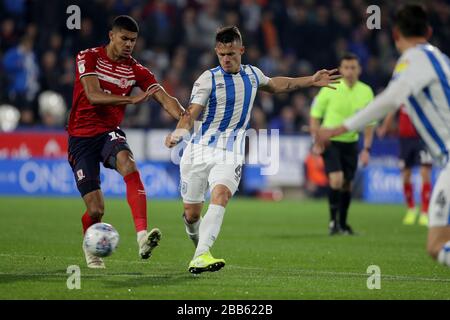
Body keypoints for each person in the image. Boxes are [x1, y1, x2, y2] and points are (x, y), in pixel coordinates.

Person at [165, 26, 340, 274]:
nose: (226, 59)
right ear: (217, 51)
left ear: (242, 50)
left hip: (230, 152)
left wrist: (310, 80)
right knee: (192, 215)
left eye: (232, 54)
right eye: (222, 54)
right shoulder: (208, 79)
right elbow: (191, 112)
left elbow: (279, 85)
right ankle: (200, 245)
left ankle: (202, 254)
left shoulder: (253, 75)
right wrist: (180, 133)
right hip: (199, 151)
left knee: (221, 194)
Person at [317, 5, 450, 267]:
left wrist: (338, 128)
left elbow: (389, 99)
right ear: (430, 31)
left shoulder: (413, 59)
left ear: (396, 34)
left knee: (436, 245)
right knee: (438, 244)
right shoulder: (441, 59)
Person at [67, 15, 186, 268]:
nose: (129, 44)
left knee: (129, 164)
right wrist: (131, 100)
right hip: (80, 138)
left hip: (108, 131)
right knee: (96, 209)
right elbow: (92, 94)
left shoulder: (135, 69)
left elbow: (163, 97)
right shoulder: (88, 57)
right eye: (124, 39)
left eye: (133, 40)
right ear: (111, 35)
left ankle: (142, 236)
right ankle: (90, 246)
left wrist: (185, 118)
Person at [310, 53, 375, 235]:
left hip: (351, 143)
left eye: (353, 67)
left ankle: (343, 224)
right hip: (330, 142)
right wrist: (316, 139)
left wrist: (367, 149)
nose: (349, 71)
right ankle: (332, 223)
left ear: (359, 69)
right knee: (336, 179)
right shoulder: (330, 87)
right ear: (341, 69)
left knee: (347, 184)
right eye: (346, 67)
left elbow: (370, 124)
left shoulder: (366, 91)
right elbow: (315, 114)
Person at [377, 108, 432, 226]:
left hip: (423, 138)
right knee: (405, 174)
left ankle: (425, 212)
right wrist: (384, 127)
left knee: (425, 172)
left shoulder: (423, 93)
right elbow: (391, 111)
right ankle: (411, 209)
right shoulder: (402, 93)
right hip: (405, 140)